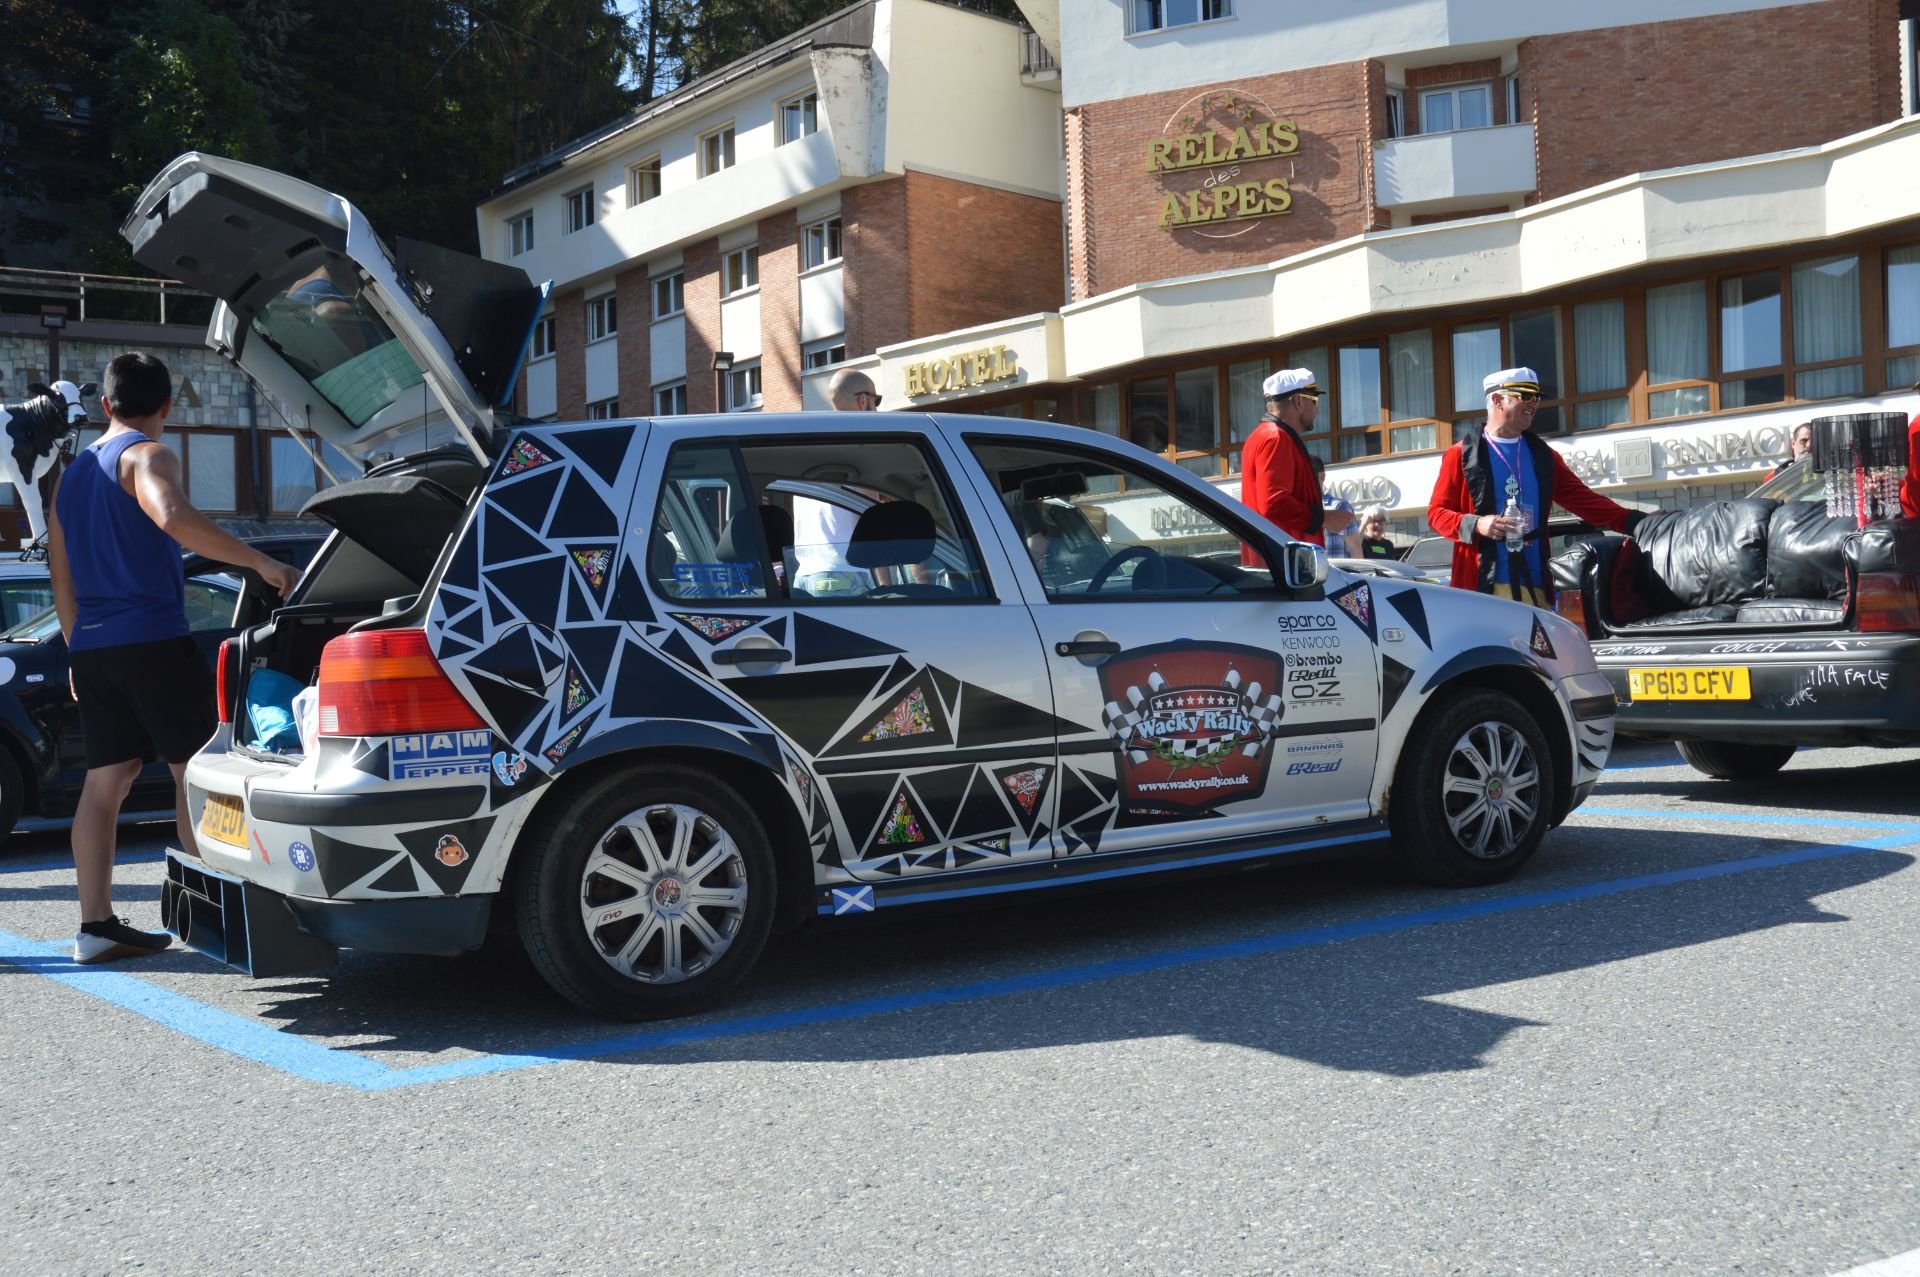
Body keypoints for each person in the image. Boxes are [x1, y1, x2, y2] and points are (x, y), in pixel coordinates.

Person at [48, 353, 303, 964]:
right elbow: (172, 516)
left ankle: (96, 926)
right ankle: (210, 921)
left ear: (104, 404)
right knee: (195, 772)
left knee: (107, 778)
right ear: (167, 406)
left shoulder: (72, 475)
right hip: (152, 639)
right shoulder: (148, 455)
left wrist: (78, 649)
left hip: (94, 644)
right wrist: (263, 563)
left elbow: (61, 574)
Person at [1426, 366, 1648, 606]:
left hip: (1536, 586)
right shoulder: (1460, 455)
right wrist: (1477, 524)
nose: (1534, 403)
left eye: (1536, 397)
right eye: (1525, 395)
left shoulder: (1544, 456)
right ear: (1497, 399)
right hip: (1483, 588)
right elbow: (1436, 514)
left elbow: (1585, 501)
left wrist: (1641, 522)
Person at [1238, 368, 1347, 563]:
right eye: (1314, 400)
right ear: (1298, 401)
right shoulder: (1276, 438)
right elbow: (1273, 503)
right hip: (1285, 567)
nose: (1317, 409)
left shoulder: (1265, 436)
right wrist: (1323, 519)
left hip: (1279, 564)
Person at [792, 367, 882, 594]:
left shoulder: (810, 449)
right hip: (844, 575)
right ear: (863, 401)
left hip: (804, 577)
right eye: (876, 400)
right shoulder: (858, 450)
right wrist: (886, 586)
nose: (877, 408)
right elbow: (873, 523)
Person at [1315, 457, 1356, 557]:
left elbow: (1355, 547)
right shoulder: (1298, 509)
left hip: (1337, 571)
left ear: (1322, 476)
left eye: (1310, 474)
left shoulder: (1340, 506)